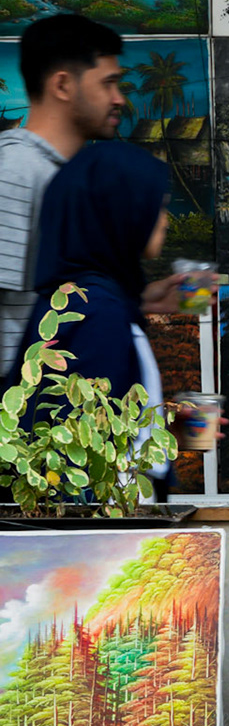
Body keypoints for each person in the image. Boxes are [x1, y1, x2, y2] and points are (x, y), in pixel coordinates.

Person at [2, 145, 183, 483]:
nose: (164, 221)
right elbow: (76, 458)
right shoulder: (96, 313)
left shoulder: (81, 301)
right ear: (121, 212)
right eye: (157, 207)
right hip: (106, 530)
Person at [0, 15, 126, 371]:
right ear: (63, 85)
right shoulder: (14, 170)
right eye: (108, 84)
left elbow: (59, 299)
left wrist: (147, 300)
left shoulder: (63, 175)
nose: (119, 99)